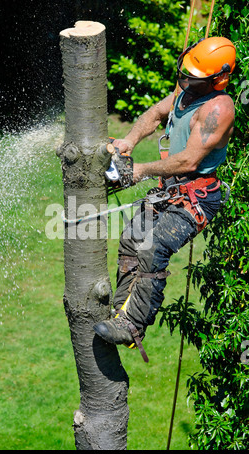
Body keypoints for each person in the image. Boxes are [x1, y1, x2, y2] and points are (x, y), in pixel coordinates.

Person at [93, 37, 236, 361]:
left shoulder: (218, 108)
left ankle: (132, 326)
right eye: (184, 74)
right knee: (132, 238)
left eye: (193, 78)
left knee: (153, 246)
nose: (184, 82)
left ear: (218, 79)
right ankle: (121, 312)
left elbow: (189, 161)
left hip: (199, 195)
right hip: (170, 188)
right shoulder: (186, 91)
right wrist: (129, 139)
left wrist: (138, 169)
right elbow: (157, 113)